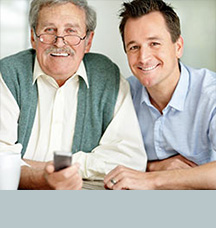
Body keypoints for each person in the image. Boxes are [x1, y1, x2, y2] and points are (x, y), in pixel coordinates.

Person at [0, 0, 147, 190]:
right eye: (49, 30)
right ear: (33, 37)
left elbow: (130, 160)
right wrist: (43, 178)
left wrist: (57, 167)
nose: (59, 41)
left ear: (88, 41)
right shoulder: (9, 75)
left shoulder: (107, 76)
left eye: (71, 31)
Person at [104, 0, 216, 190]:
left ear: (178, 46)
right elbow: (105, 158)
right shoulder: (123, 94)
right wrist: (154, 167)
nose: (143, 58)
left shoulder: (210, 94)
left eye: (154, 43)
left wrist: (153, 179)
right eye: (134, 47)